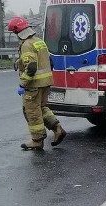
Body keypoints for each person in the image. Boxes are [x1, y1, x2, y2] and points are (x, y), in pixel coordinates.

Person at [7, 16, 65, 153]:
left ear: (17, 32)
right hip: (45, 83)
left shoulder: (26, 44)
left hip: (33, 85)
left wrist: (23, 84)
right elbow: (50, 62)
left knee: (32, 111)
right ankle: (57, 129)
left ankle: (37, 140)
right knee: (42, 108)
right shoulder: (39, 42)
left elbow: (31, 67)